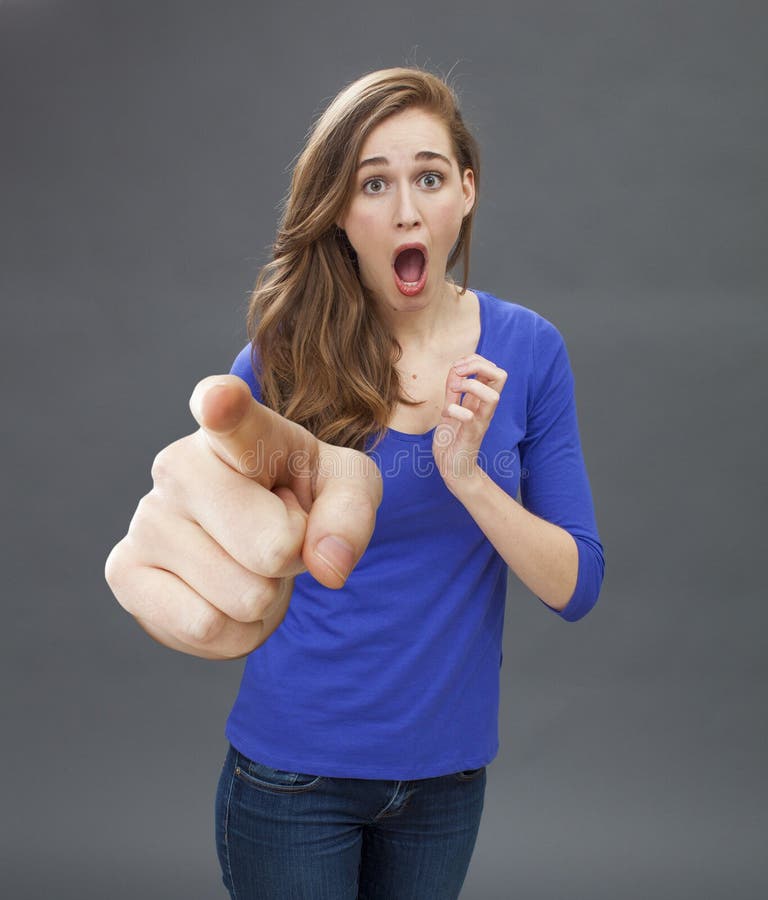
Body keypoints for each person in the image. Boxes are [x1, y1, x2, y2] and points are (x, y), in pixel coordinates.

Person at [104, 66, 605, 900]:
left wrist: (470, 479)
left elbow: (577, 585)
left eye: (429, 177)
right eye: (374, 184)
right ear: (341, 210)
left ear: (467, 193)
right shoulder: (280, 361)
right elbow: (214, 530)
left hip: (446, 781)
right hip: (294, 776)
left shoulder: (531, 352)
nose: (406, 209)